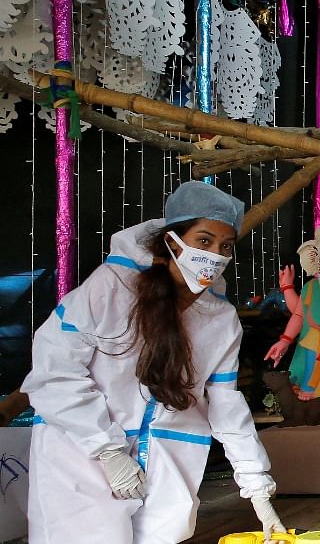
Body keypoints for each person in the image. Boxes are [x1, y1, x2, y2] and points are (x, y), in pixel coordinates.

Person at [23, 181, 287, 543]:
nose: (215, 255)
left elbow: (226, 405)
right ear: (171, 240)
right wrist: (109, 451)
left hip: (167, 458)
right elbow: (55, 374)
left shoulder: (220, 319)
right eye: (204, 240)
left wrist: (256, 485)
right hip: (81, 458)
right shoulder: (109, 290)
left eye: (226, 246)